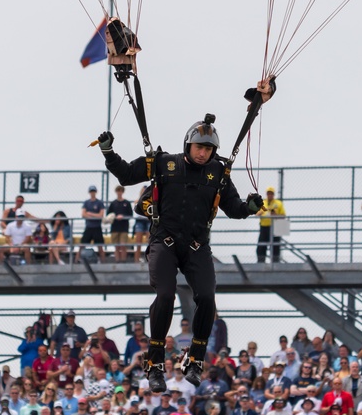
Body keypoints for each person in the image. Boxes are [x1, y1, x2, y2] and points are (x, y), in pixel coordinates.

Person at [98, 99, 268, 390]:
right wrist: (108, 152)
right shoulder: (164, 163)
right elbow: (127, 175)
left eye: (208, 149)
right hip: (164, 241)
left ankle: (196, 359)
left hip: (196, 246)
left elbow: (234, 208)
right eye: (199, 148)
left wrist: (250, 207)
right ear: (188, 145)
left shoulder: (219, 174)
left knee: (207, 298)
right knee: (165, 296)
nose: (203, 154)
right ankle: (154, 365)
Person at [255, 188, 286, 264]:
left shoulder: (278, 203)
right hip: (264, 226)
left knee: (276, 245)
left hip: (275, 226)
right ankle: (261, 261)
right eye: (268, 193)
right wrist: (261, 212)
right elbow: (257, 214)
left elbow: (283, 216)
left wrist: (275, 215)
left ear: (273, 194)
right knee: (261, 245)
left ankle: (275, 262)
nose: (270, 195)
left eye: (271, 193)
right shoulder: (262, 203)